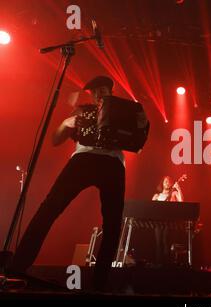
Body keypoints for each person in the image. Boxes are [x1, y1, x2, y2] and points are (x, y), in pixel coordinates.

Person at [11, 75, 125, 291]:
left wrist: (136, 123)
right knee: (49, 209)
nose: (99, 93)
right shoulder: (82, 110)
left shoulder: (122, 110)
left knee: (112, 223)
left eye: (103, 89)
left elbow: (136, 137)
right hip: (83, 159)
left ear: (110, 91)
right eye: (95, 91)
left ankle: (100, 282)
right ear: (91, 95)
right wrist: (66, 122)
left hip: (112, 162)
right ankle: (19, 266)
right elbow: (55, 140)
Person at [151, 175, 184, 266]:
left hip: (169, 222)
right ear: (162, 183)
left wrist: (179, 188)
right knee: (158, 243)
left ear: (171, 184)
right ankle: (158, 264)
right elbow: (151, 209)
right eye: (165, 181)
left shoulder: (173, 194)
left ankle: (166, 264)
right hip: (158, 222)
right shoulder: (156, 195)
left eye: (169, 181)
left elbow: (182, 201)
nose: (167, 182)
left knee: (166, 241)